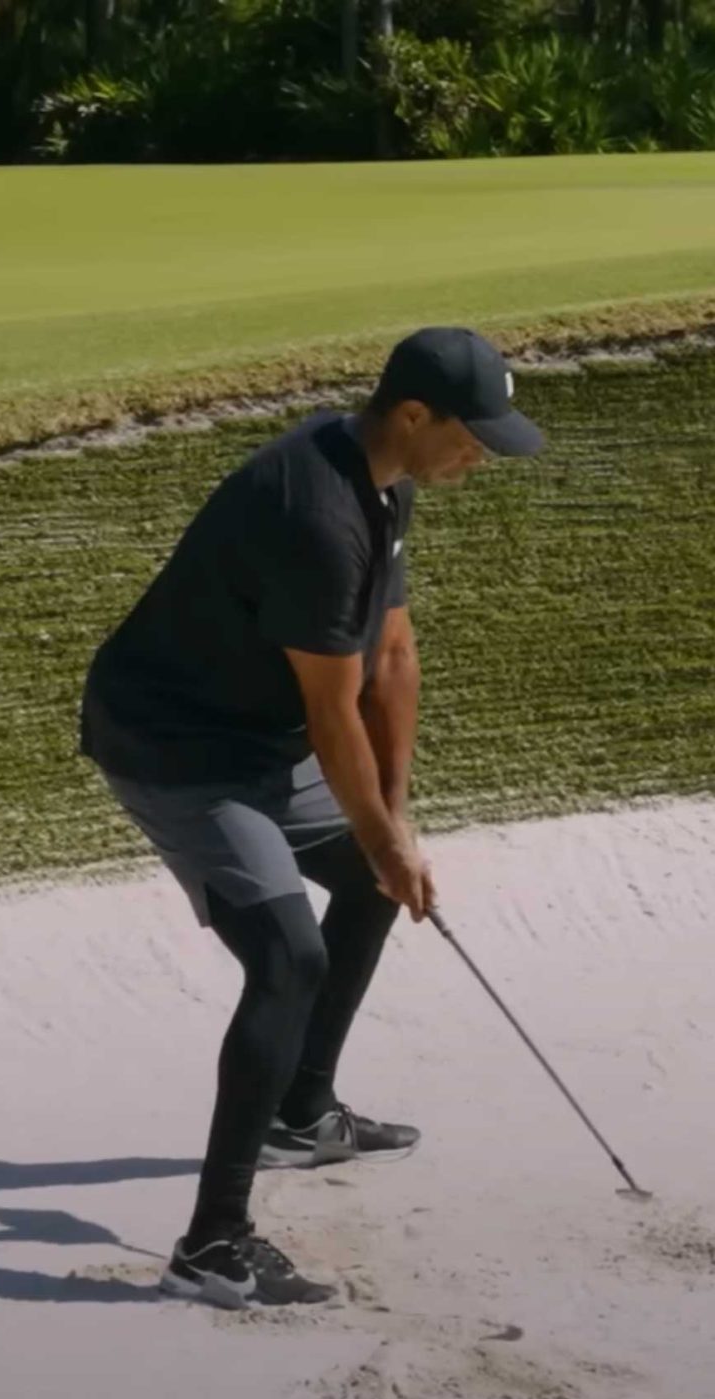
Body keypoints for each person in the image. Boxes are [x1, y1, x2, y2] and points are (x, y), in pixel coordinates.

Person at [78, 326, 544, 1308]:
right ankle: (213, 1247)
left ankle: (302, 1110)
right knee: (288, 959)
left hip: (254, 736)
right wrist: (378, 834)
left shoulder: (385, 483)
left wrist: (395, 829)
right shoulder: (317, 515)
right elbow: (334, 718)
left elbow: (393, 660)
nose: (484, 454)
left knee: (369, 889)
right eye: (474, 434)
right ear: (414, 416)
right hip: (180, 749)